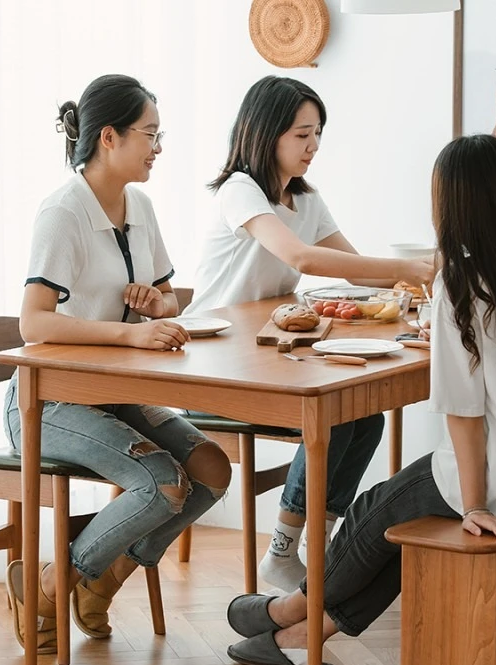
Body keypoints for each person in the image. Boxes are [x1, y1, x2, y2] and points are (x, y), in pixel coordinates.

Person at [222, 134, 496, 665]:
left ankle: (288, 608)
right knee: (401, 535)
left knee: (372, 515)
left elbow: (464, 417)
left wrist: (474, 509)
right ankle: (302, 636)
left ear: (451, 205)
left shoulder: (464, 285)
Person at [3, 74, 232, 654]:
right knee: (161, 484)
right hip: (48, 401)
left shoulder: (141, 205)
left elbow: (171, 295)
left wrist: (160, 304)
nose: (158, 147)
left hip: (111, 392)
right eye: (149, 134)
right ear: (109, 136)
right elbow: (33, 322)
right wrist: (128, 339)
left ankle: (101, 579)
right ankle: (50, 585)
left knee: (210, 468)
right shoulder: (62, 212)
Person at [185, 76, 434, 592]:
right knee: (337, 412)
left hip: (263, 354)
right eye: (302, 135)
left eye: (317, 133)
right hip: (212, 362)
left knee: (364, 414)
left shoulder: (305, 199)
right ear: (266, 132)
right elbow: (301, 257)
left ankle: (315, 545)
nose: (313, 146)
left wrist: (426, 265)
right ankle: (283, 549)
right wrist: (408, 266)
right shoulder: (241, 190)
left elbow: (358, 268)